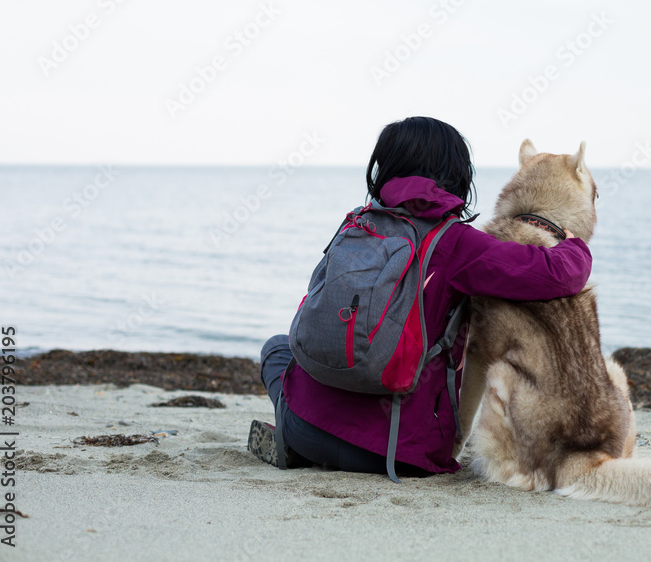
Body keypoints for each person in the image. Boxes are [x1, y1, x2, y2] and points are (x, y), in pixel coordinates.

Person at [250, 116, 592, 476]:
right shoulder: (456, 242)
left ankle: (296, 433)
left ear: (385, 166)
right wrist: (574, 245)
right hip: (402, 454)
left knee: (276, 348)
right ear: (457, 172)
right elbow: (555, 274)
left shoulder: (355, 224)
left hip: (305, 430)